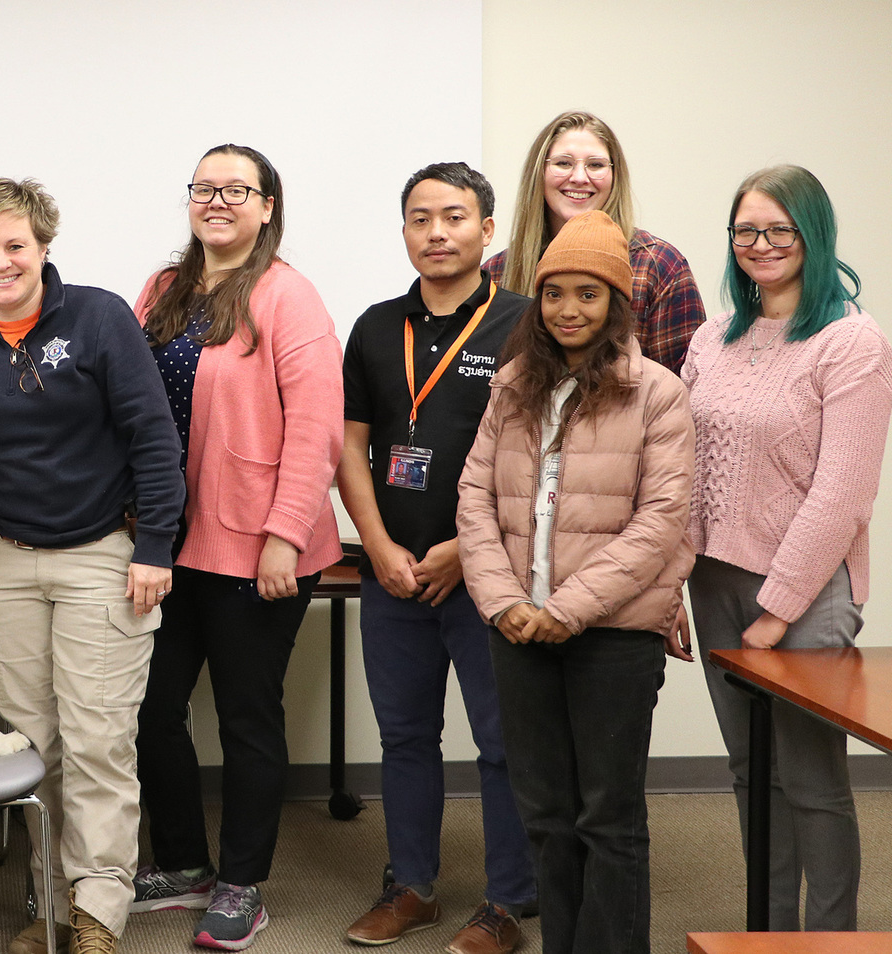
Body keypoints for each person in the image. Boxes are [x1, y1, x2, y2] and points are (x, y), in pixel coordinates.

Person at [0, 176, 183, 954]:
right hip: (3, 563)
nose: (1, 262)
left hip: (102, 558)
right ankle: (52, 907)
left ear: (43, 246)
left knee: (98, 744)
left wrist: (155, 547)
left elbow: (154, 437)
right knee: (37, 748)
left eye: (15, 246)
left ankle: (98, 916)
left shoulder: (99, 318)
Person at [457, 210, 695, 953]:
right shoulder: (512, 387)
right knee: (546, 818)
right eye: (554, 293)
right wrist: (504, 604)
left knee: (608, 822)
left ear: (616, 303)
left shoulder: (657, 394)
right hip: (518, 631)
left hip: (613, 636)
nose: (568, 309)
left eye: (588, 294)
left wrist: (565, 609)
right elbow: (474, 498)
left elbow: (661, 522)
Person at [129, 144, 342, 952]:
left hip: (258, 548)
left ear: (267, 206)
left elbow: (318, 430)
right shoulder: (161, 289)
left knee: (248, 717)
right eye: (204, 188)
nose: (216, 201)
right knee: (152, 708)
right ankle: (184, 862)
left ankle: (242, 885)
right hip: (167, 542)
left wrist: (285, 536)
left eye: (236, 190)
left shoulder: (289, 296)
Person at [683, 164, 892, 932]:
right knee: (751, 773)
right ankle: (766, 934)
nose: (762, 243)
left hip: (805, 595)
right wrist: (670, 581)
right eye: (746, 230)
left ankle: (830, 941)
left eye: (780, 229)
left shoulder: (852, 342)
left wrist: (775, 611)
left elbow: (842, 496)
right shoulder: (714, 336)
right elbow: (684, 469)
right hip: (713, 582)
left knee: (811, 782)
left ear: (813, 235)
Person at [336, 162, 535, 954]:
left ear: (486, 230)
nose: (437, 233)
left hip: (489, 575)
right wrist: (379, 545)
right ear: (405, 232)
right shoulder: (376, 327)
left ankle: (507, 902)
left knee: (502, 742)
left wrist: (466, 549)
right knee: (405, 738)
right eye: (420, 219)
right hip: (392, 574)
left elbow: (536, 456)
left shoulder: (525, 323)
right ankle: (412, 888)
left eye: (454, 217)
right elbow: (350, 446)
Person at [485, 110, 704, 373]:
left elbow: (683, 384)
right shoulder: (497, 272)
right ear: (538, 173)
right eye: (563, 163)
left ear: (615, 175)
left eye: (596, 165)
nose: (579, 177)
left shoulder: (659, 266)